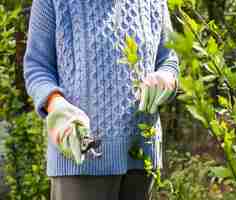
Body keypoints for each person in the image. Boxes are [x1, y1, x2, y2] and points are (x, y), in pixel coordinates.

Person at [23, 0, 179, 199]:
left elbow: (168, 59)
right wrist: (57, 105)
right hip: (80, 162)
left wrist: (165, 79)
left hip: (141, 158)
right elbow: (37, 67)